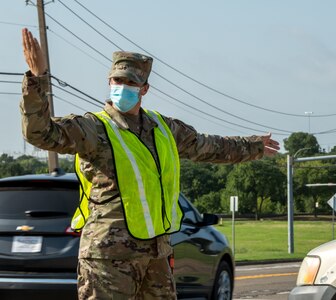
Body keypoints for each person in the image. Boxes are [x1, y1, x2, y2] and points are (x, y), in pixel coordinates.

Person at [20, 28, 280, 299]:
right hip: (109, 258)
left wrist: (254, 146)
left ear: (144, 88)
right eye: (116, 80)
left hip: (156, 255)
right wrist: (37, 78)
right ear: (109, 82)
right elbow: (39, 132)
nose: (122, 86)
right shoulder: (93, 128)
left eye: (130, 82)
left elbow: (209, 146)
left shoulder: (163, 128)